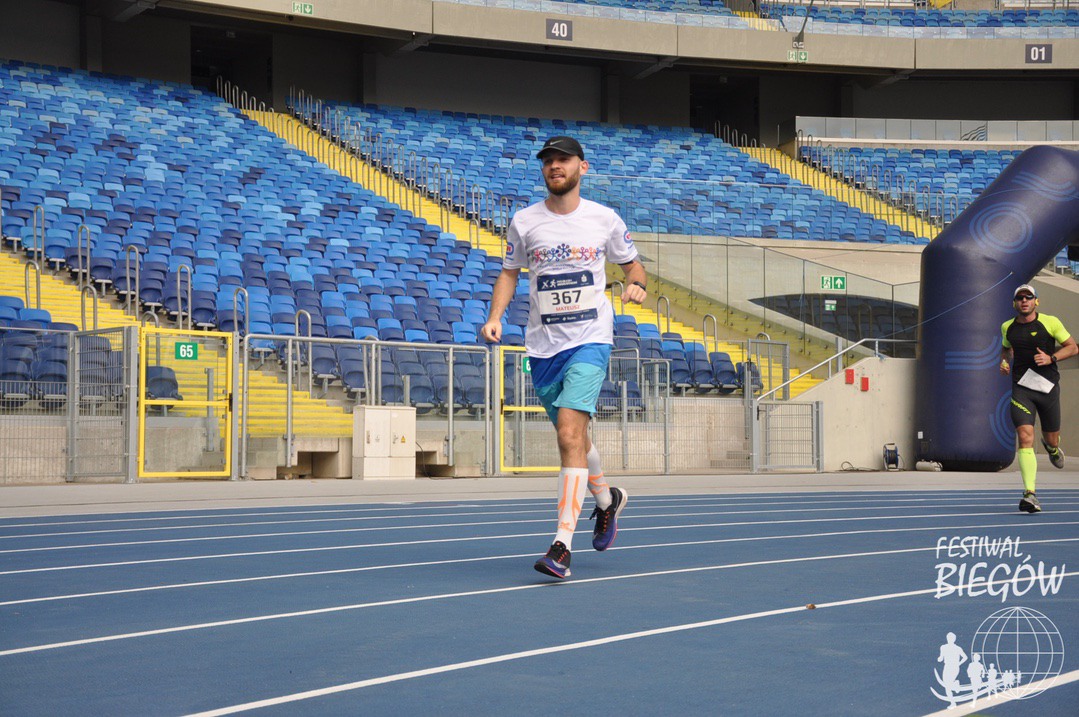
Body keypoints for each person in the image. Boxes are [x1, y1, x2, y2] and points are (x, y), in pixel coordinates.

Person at [481, 135, 647, 579]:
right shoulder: (524, 222)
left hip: (591, 339)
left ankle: (561, 545)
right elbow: (509, 273)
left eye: (564, 159)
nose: (555, 166)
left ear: (582, 167)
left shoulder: (604, 219)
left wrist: (637, 285)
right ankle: (607, 500)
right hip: (543, 346)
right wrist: (495, 317)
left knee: (569, 434)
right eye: (549, 161)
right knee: (574, 438)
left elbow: (634, 266)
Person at [1000, 283, 1077, 513]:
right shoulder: (1007, 327)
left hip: (1048, 389)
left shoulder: (1050, 322)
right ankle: (1030, 493)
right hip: (1022, 388)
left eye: (1028, 297)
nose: (1024, 301)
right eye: (1020, 298)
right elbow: (1006, 348)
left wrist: (1051, 358)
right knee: (1025, 436)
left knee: (1052, 439)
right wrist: (1004, 361)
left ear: (1036, 301)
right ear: (1014, 303)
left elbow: (1072, 347)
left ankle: (1052, 449)